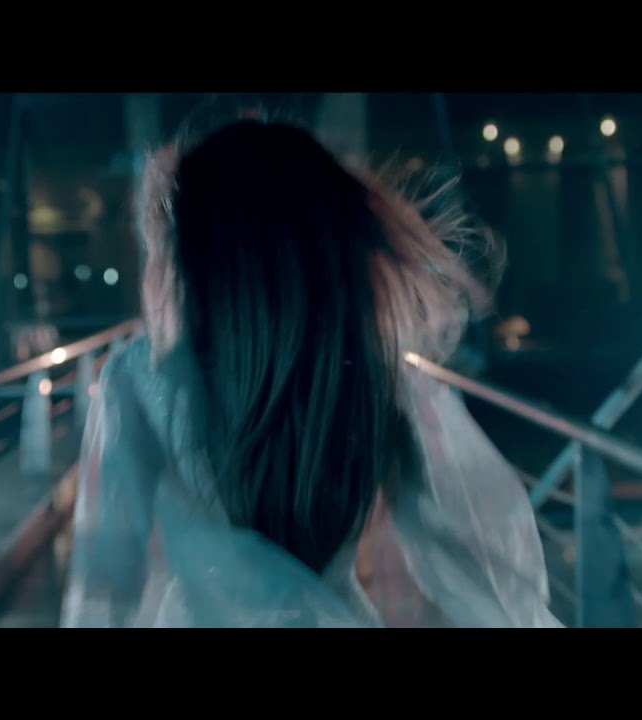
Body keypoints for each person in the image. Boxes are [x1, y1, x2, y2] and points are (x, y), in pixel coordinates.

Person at [60, 115, 562, 628]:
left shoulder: (143, 376)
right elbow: (462, 562)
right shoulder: (369, 372)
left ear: (202, 254)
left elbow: (106, 584)